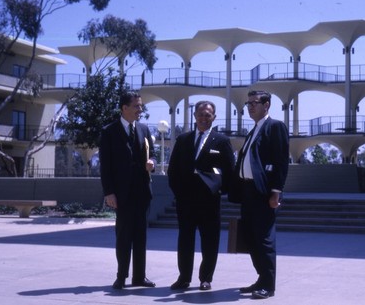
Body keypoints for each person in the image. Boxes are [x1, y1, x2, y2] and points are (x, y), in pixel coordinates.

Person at [167, 100, 235, 291]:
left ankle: (206, 278)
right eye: (201, 114)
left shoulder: (221, 141)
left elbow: (229, 171)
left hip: (209, 201)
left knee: (210, 240)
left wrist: (219, 190)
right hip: (186, 200)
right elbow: (173, 170)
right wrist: (179, 193)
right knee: (185, 239)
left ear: (214, 117)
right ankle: (184, 278)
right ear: (194, 116)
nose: (204, 118)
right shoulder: (183, 140)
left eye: (208, 115)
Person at [230, 90, 289, 299]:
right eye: (248, 103)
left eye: (254, 103)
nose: (250, 106)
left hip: (263, 192)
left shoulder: (275, 127)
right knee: (251, 237)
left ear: (267, 105)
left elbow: (281, 162)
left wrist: (276, 192)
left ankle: (268, 285)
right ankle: (261, 278)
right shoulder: (253, 130)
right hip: (247, 191)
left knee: (264, 239)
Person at [100, 91, 157, 290]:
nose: (140, 110)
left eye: (141, 106)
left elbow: (153, 154)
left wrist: (153, 163)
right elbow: (105, 167)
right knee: (123, 236)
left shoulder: (144, 129)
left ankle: (139, 277)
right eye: (136, 106)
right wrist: (109, 192)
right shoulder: (109, 131)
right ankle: (121, 276)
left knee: (141, 236)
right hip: (122, 194)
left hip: (142, 191)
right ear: (124, 108)